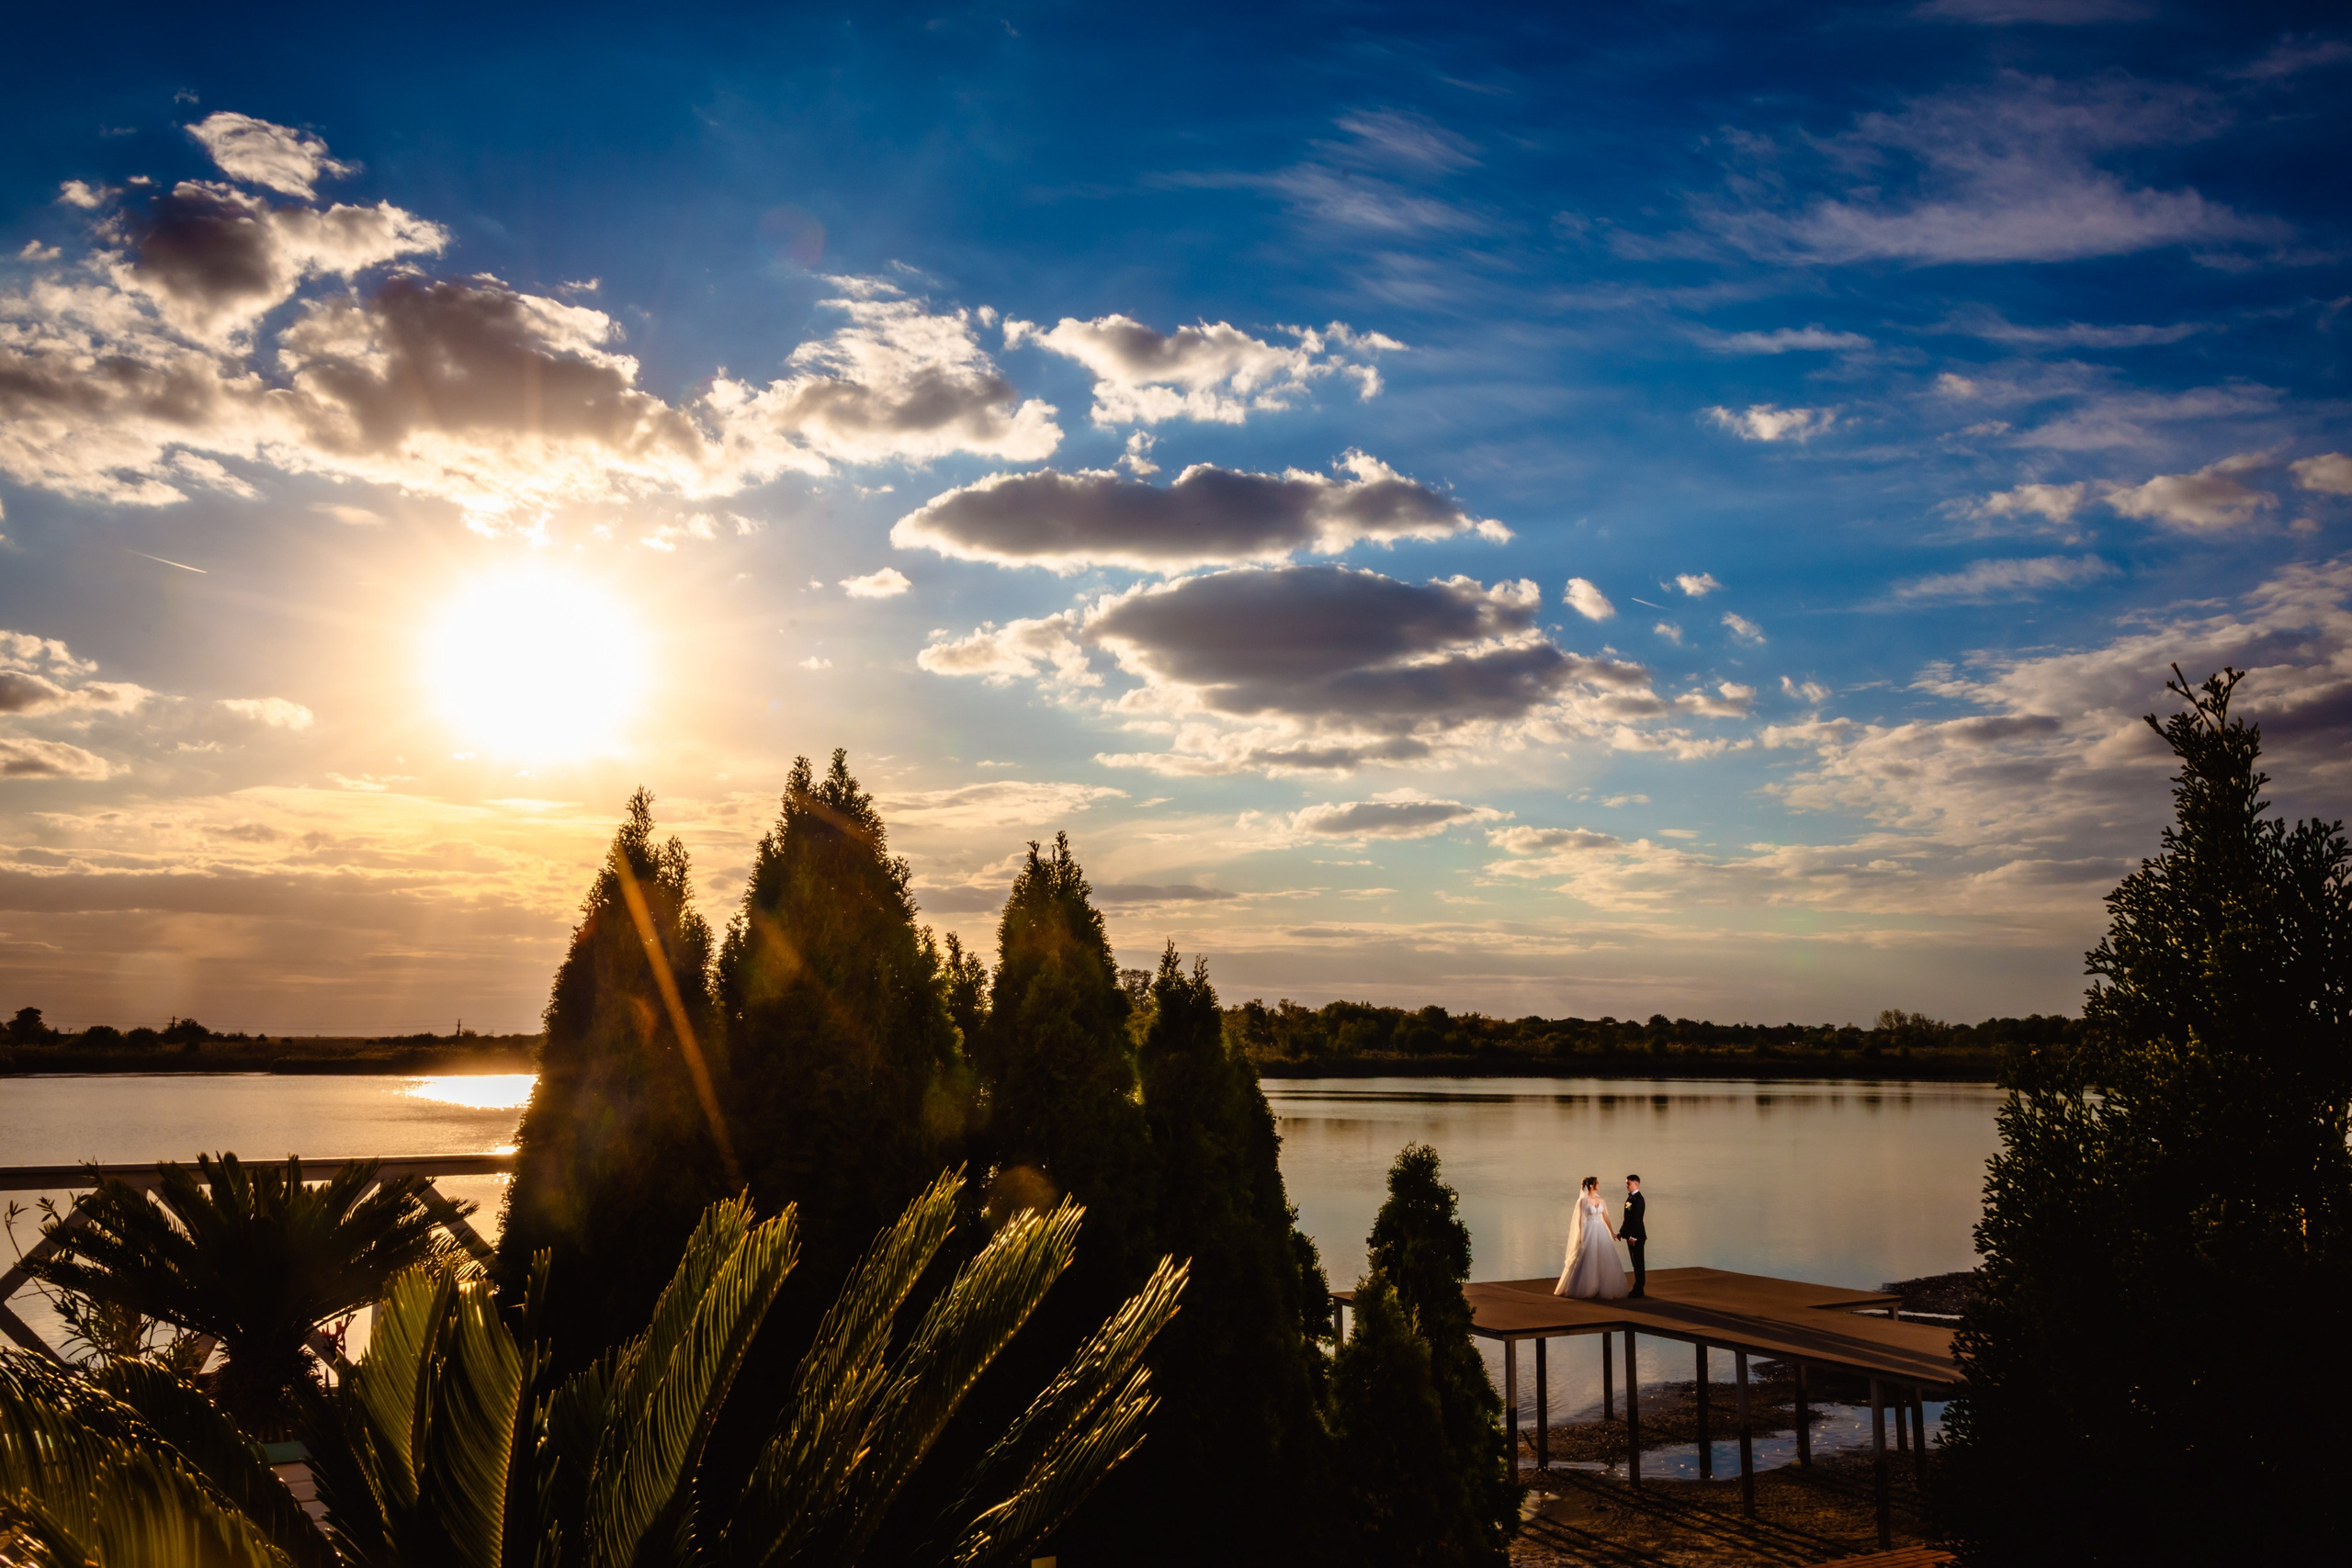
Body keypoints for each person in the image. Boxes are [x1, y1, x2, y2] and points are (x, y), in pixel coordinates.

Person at [1554, 1175, 1629, 1299]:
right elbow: (1580, 1220)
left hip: (1600, 1229)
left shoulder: (1601, 1200)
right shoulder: (1582, 1201)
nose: (1599, 1185)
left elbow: (1606, 1217)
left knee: (1603, 1256)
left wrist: (1611, 1232)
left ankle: (1602, 1286)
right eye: (1597, 1183)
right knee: (1587, 1257)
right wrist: (1582, 1236)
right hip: (1589, 1230)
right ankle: (1584, 1286)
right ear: (1591, 1186)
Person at [1623, 1174, 1646, 1297]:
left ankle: (1639, 1288)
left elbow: (1637, 1220)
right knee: (1634, 1262)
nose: (1626, 1185)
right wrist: (1622, 1232)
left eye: (1628, 1183)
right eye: (1626, 1183)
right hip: (1630, 1235)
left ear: (1635, 1184)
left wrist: (1633, 1236)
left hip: (1637, 1236)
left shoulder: (1639, 1199)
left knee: (1638, 1262)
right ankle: (1637, 1287)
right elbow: (1627, 1218)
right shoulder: (1630, 1199)